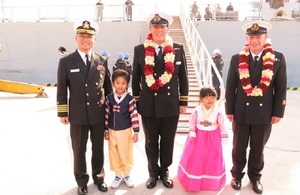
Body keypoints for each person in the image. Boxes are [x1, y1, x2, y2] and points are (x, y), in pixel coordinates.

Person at [225, 21, 287, 194]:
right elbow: (231, 86)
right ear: (247, 38)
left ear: (265, 37)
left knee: (258, 148)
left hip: (264, 112)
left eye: (258, 37)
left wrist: (278, 112)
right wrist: (229, 110)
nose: (254, 41)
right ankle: (237, 175)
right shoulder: (237, 58)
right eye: (251, 37)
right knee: (239, 146)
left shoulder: (278, 58)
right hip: (241, 111)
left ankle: (255, 177)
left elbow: (281, 87)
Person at [131, 12, 189, 189]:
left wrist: (183, 102)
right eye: (155, 27)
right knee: (150, 141)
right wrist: (137, 101)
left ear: (167, 29)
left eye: (162, 27)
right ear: (150, 29)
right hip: (148, 104)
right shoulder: (140, 50)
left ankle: (164, 172)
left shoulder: (177, 48)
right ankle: (152, 173)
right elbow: (136, 78)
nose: (159, 30)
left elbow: (183, 78)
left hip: (170, 104)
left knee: (167, 140)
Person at [56, 20, 113, 195]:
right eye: (82, 36)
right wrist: (63, 112)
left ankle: (99, 177)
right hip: (78, 114)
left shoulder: (101, 60)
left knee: (98, 149)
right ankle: (82, 181)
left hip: (98, 112)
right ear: (76, 38)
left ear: (94, 39)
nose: (85, 39)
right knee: (79, 149)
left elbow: (108, 90)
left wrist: (111, 114)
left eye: (89, 36)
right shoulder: (66, 62)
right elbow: (62, 89)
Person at [177, 87, 226, 191]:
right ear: (200, 99)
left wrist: (224, 135)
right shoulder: (197, 110)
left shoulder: (218, 112)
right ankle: (194, 180)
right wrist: (192, 131)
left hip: (213, 137)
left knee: (212, 157)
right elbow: (192, 122)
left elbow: (221, 125)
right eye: (207, 98)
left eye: (213, 97)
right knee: (197, 157)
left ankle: (210, 181)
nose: (210, 100)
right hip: (199, 136)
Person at [104, 69, 139, 189]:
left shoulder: (130, 99)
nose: (120, 85)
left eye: (123, 83)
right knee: (113, 153)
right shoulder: (109, 98)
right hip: (112, 131)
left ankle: (127, 174)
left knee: (126, 152)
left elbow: (134, 115)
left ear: (127, 84)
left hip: (125, 131)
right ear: (113, 83)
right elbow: (106, 115)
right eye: (117, 82)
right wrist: (105, 130)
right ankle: (118, 175)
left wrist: (136, 131)